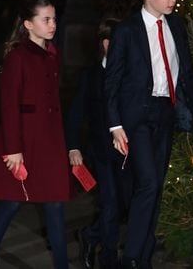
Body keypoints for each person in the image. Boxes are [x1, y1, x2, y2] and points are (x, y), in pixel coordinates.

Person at [104, 0, 193, 268]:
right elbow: (111, 82)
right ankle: (132, 258)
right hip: (135, 117)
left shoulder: (177, 25)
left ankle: (143, 257)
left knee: (156, 186)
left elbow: (187, 71)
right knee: (148, 183)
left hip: (166, 113)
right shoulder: (126, 30)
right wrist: (115, 125)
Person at [0, 0, 74, 269]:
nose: (53, 24)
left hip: (50, 143)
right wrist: (13, 150)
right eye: (46, 19)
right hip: (23, 143)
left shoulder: (53, 54)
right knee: (10, 204)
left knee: (55, 204)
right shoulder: (18, 57)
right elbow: (9, 107)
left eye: (54, 18)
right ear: (28, 24)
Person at [65, 18, 133, 269]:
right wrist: (73, 147)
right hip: (101, 151)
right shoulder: (91, 75)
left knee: (125, 204)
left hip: (128, 151)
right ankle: (108, 260)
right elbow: (75, 113)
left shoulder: (131, 73)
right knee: (111, 202)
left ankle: (90, 235)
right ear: (106, 44)